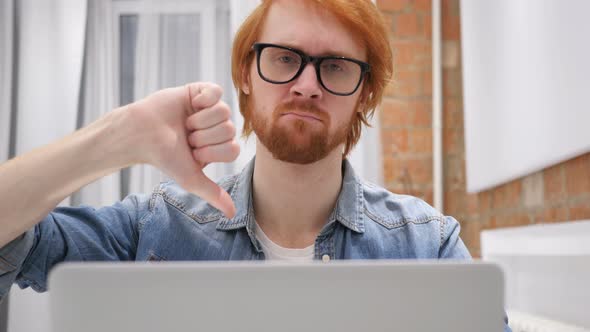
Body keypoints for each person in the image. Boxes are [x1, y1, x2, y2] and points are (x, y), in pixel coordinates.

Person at [1, 0, 473, 307]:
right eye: (285, 58)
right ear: (247, 73)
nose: (307, 86)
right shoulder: (154, 229)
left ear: (364, 95)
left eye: (335, 66)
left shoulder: (427, 244)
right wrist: (118, 134)